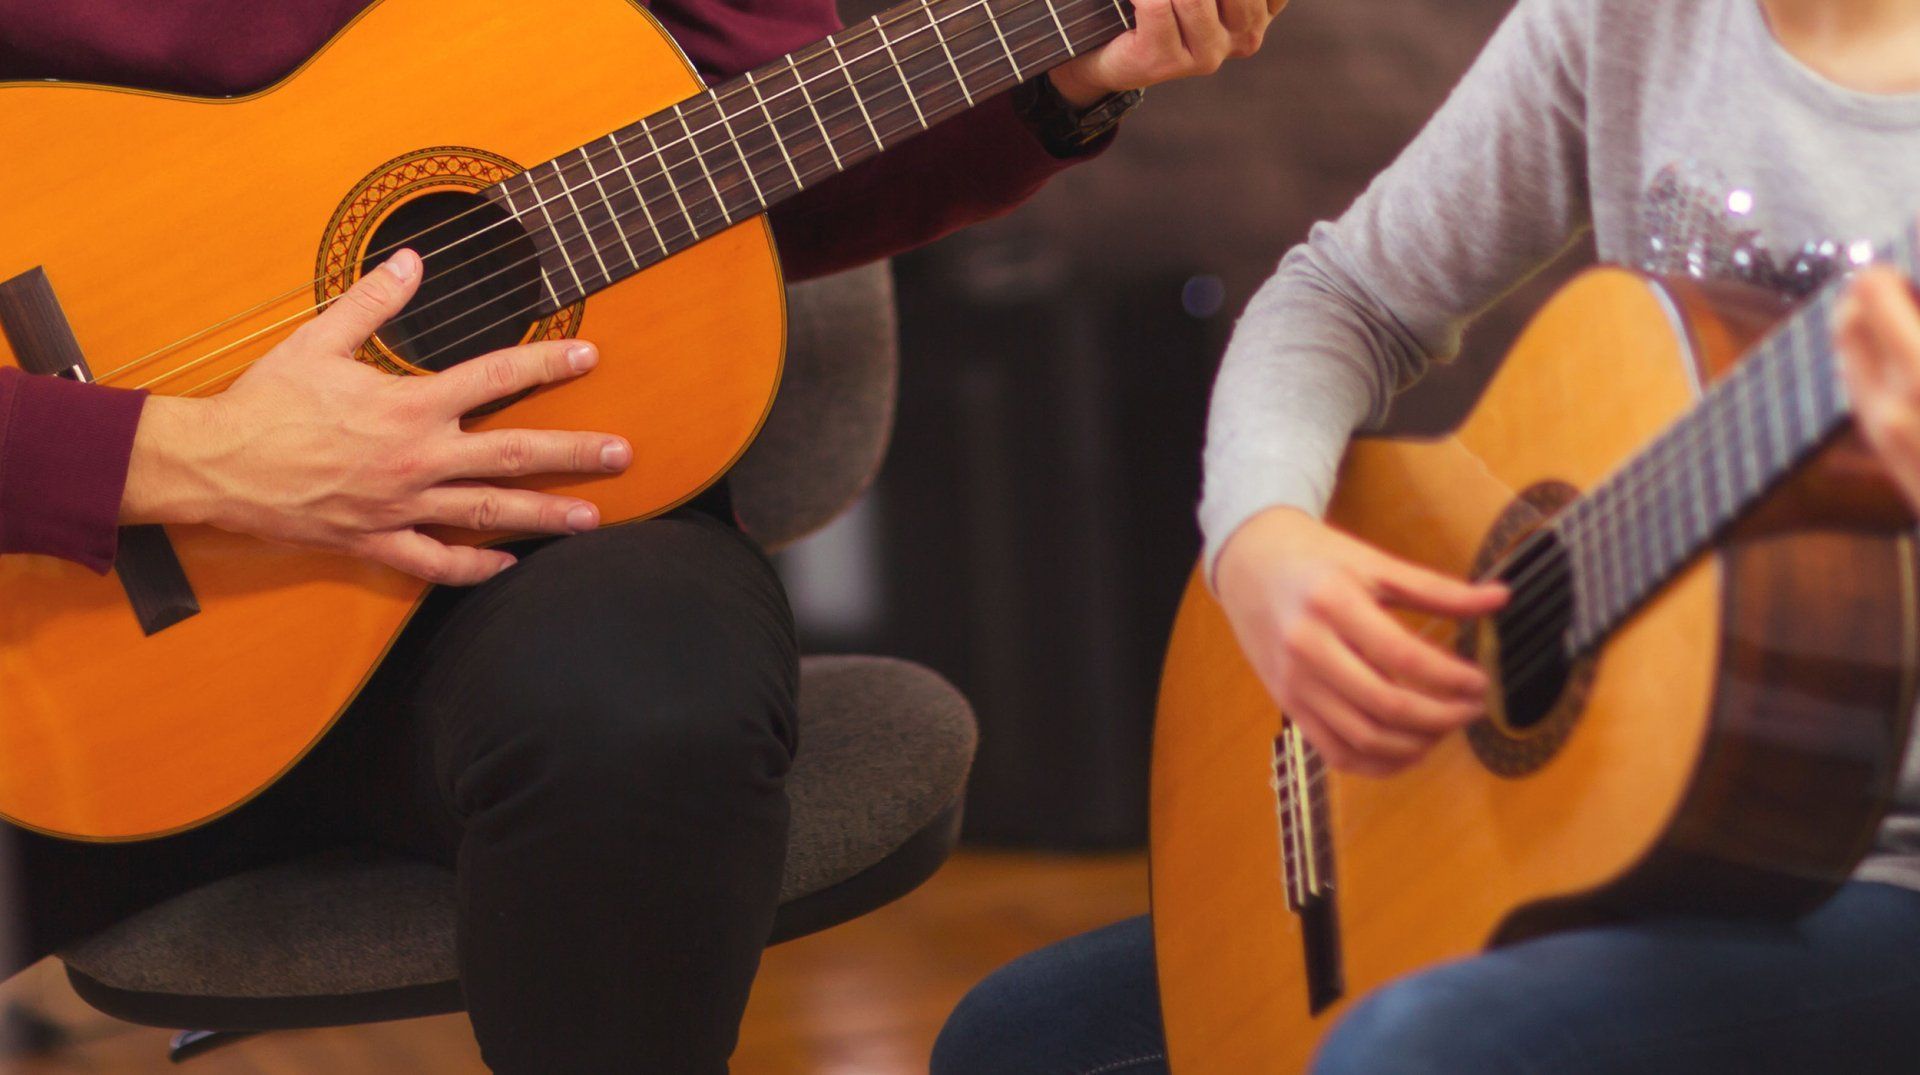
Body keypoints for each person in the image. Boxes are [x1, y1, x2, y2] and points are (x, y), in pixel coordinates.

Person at [0, 1, 1276, 1070]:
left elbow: (756, 152)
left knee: (648, 698)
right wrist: (189, 458)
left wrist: (1052, 78)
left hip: (534, 543)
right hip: (64, 577)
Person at [934, 0, 1920, 1072]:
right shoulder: (1626, 19)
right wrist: (1262, 532)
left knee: (1413, 1053)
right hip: (1601, 809)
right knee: (1021, 1040)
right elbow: (1345, 296)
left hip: (1885, 863)